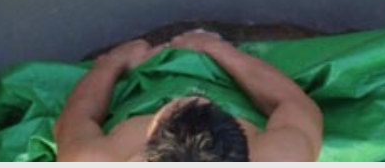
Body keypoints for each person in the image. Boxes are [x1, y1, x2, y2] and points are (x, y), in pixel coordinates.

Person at [54, 29, 323, 161]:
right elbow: (293, 102)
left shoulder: (93, 160)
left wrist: (113, 61)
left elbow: (76, 116)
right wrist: (215, 48)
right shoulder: (283, 156)